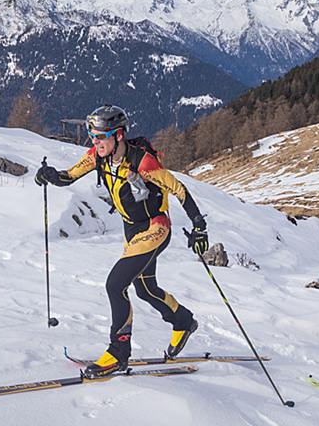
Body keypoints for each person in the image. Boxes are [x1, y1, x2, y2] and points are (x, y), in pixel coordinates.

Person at [36, 105, 210, 378]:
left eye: (100, 136)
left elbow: (178, 188)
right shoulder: (98, 156)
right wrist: (49, 175)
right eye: (92, 136)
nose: (95, 142)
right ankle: (183, 322)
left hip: (156, 228)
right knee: (145, 289)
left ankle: (118, 353)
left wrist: (199, 225)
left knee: (115, 285)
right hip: (132, 230)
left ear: (118, 135)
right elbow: (67, 176)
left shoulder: (142, 162)